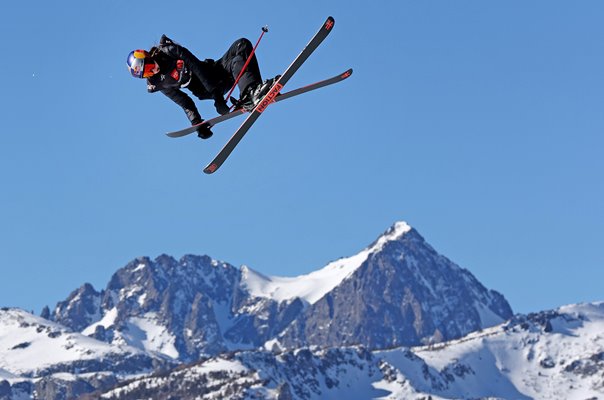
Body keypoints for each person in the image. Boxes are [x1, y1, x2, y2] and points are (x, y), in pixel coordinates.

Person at [127, 35, 279, 139]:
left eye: (148, 66)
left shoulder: (170, 52)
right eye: (146, 73)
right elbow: (184, 101)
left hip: (213, 73)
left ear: (149, 56)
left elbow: (196, 66)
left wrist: (218, 97)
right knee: (236, 60)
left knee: (242, 44)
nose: (151, 71)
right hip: (206, 89)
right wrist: (197, 123)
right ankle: (250, 95)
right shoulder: (158, 84)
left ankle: (252, 91)